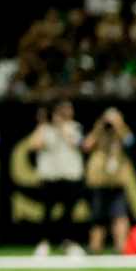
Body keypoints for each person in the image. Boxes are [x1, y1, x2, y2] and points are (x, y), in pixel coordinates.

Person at [27, 100, 86, 256]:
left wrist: (61, 128)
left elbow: (79, 144)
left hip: (70, 175)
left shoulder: (75, 127)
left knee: (69, 212)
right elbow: (33, 145)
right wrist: (43, 125)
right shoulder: (45, 129)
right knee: (47, 211)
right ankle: (44, 243)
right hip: (51, 176)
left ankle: (68, 242)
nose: (67, 113)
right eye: (63, 110)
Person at [82, 107, 134, 253]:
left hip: (117, 181)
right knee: (98, 216)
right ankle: (95, 247)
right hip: (100, 181)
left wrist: (119, 126)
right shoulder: (99, 132)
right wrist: (99, 128)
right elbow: (86, 145)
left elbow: (130, 142)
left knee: (120, 215)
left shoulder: (123, 132)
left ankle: (121, 247)